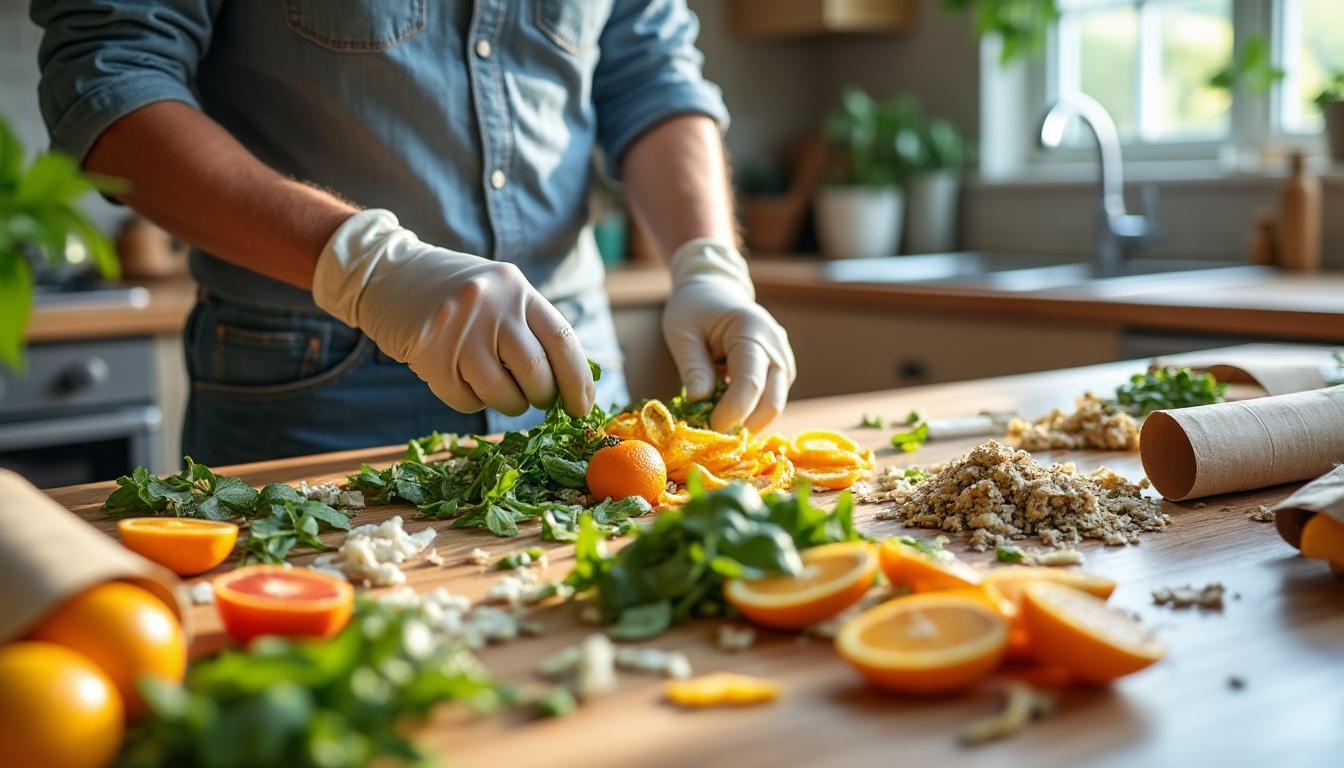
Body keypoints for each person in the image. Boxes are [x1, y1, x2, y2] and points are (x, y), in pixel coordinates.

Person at [31, 0, 796, 466]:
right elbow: (106, 83)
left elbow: (651, 72)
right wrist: (364, 267)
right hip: (316, 383)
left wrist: (708, 264)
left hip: (580, 367)